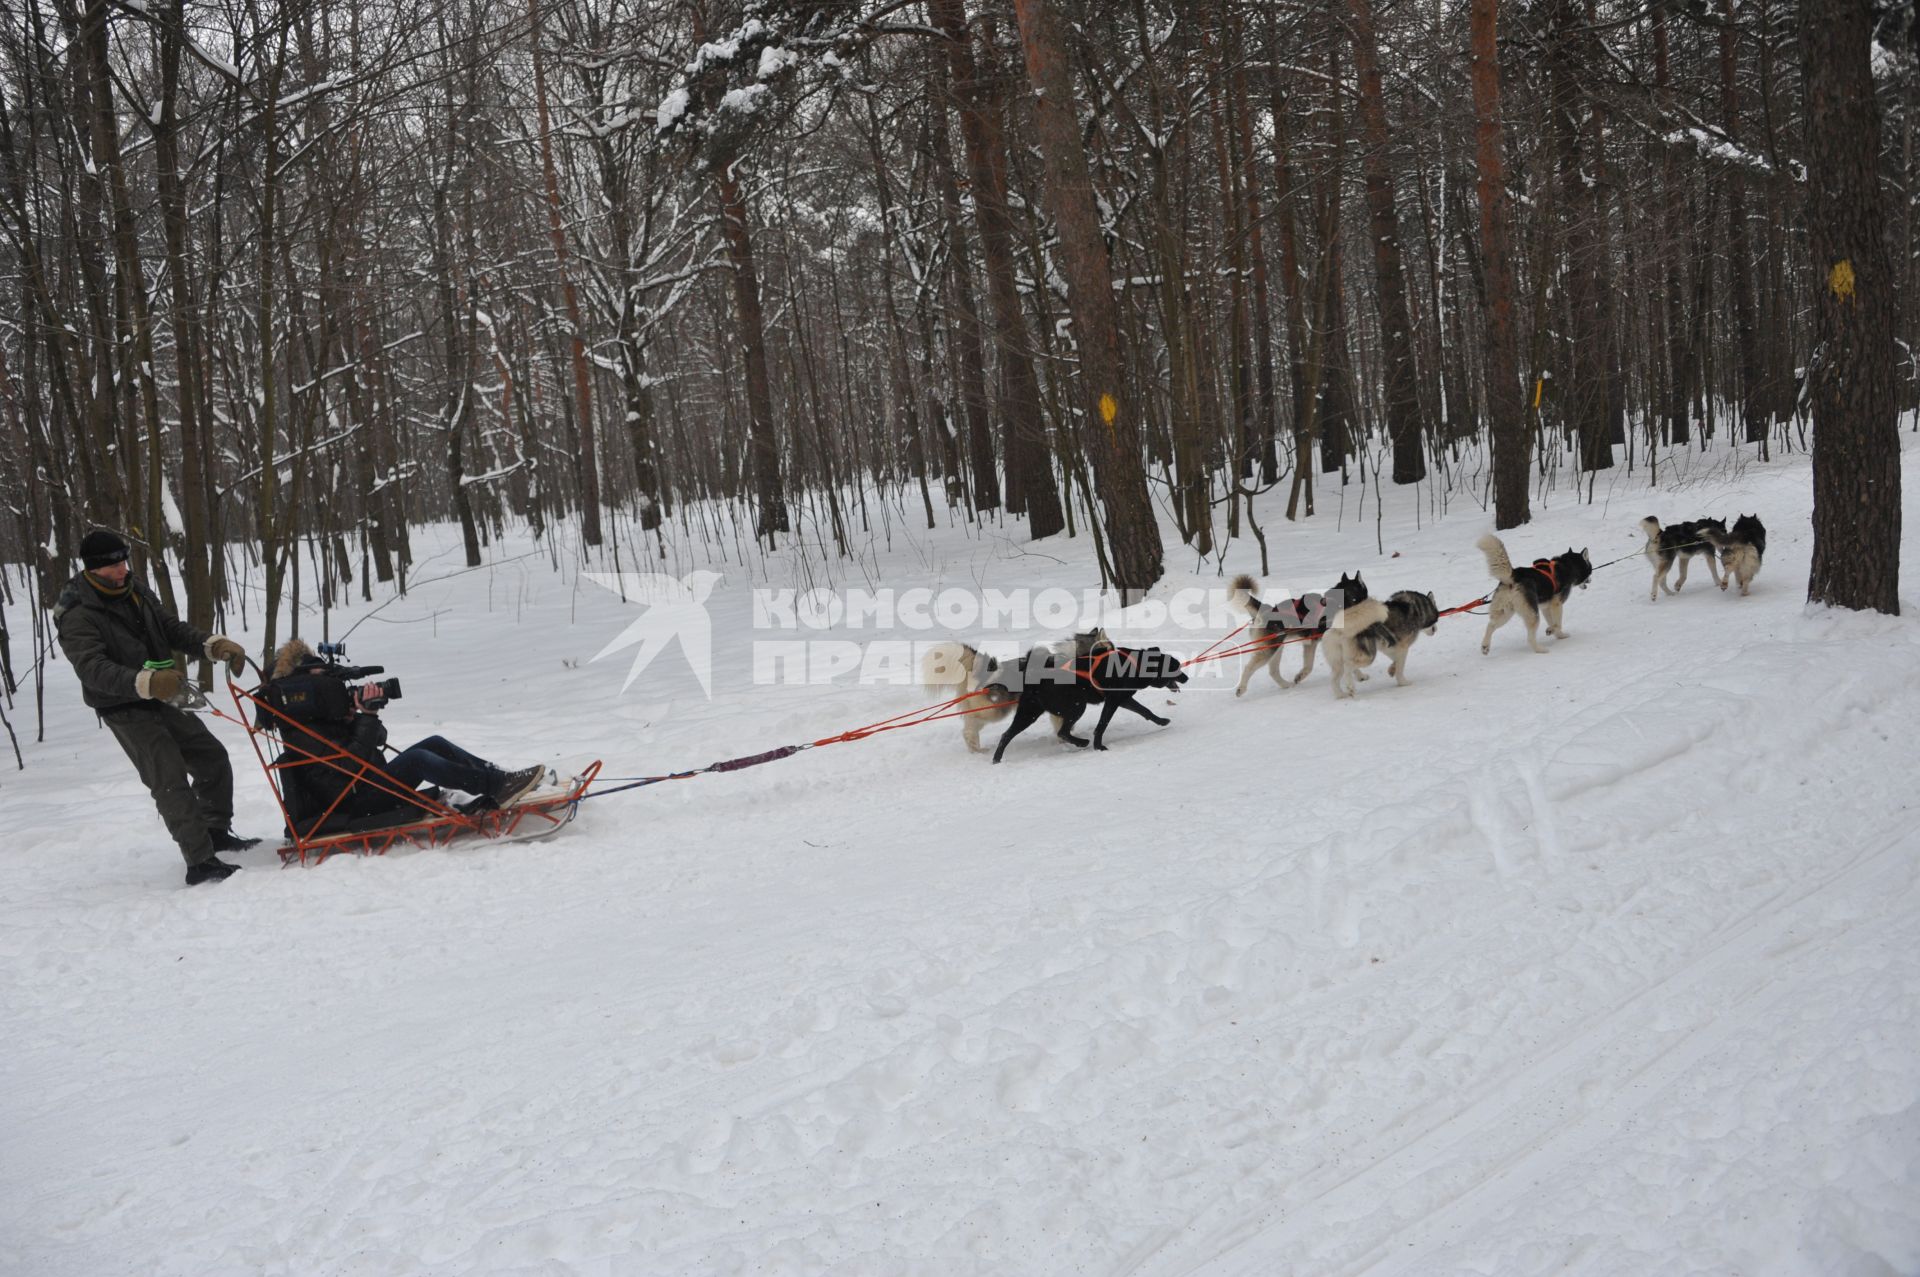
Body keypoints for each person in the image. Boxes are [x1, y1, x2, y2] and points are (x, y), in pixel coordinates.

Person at [53, 529, 256, 886]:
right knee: (169, 777)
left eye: (123, 560)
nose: (122, 569)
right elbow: (92, 668)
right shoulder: (78, 613)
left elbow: (170, 628)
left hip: (166, 691)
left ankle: (215, 830)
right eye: (113, 565)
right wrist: (144, 681)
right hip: (124, 704)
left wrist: (213, 645)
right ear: (93, 569)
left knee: (212, 756)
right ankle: (200, 862)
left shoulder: (135, 589)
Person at [264, 639, 543, 834]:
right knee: (419, 759)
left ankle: (501, 778)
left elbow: (377, 740)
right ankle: (497, 786)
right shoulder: (300, 730)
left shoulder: (325, 717)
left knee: (435, 743)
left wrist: (359, 716)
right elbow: (348, 766)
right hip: (351, 803)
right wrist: (366, 719)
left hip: (367, 785)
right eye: (319, 680)